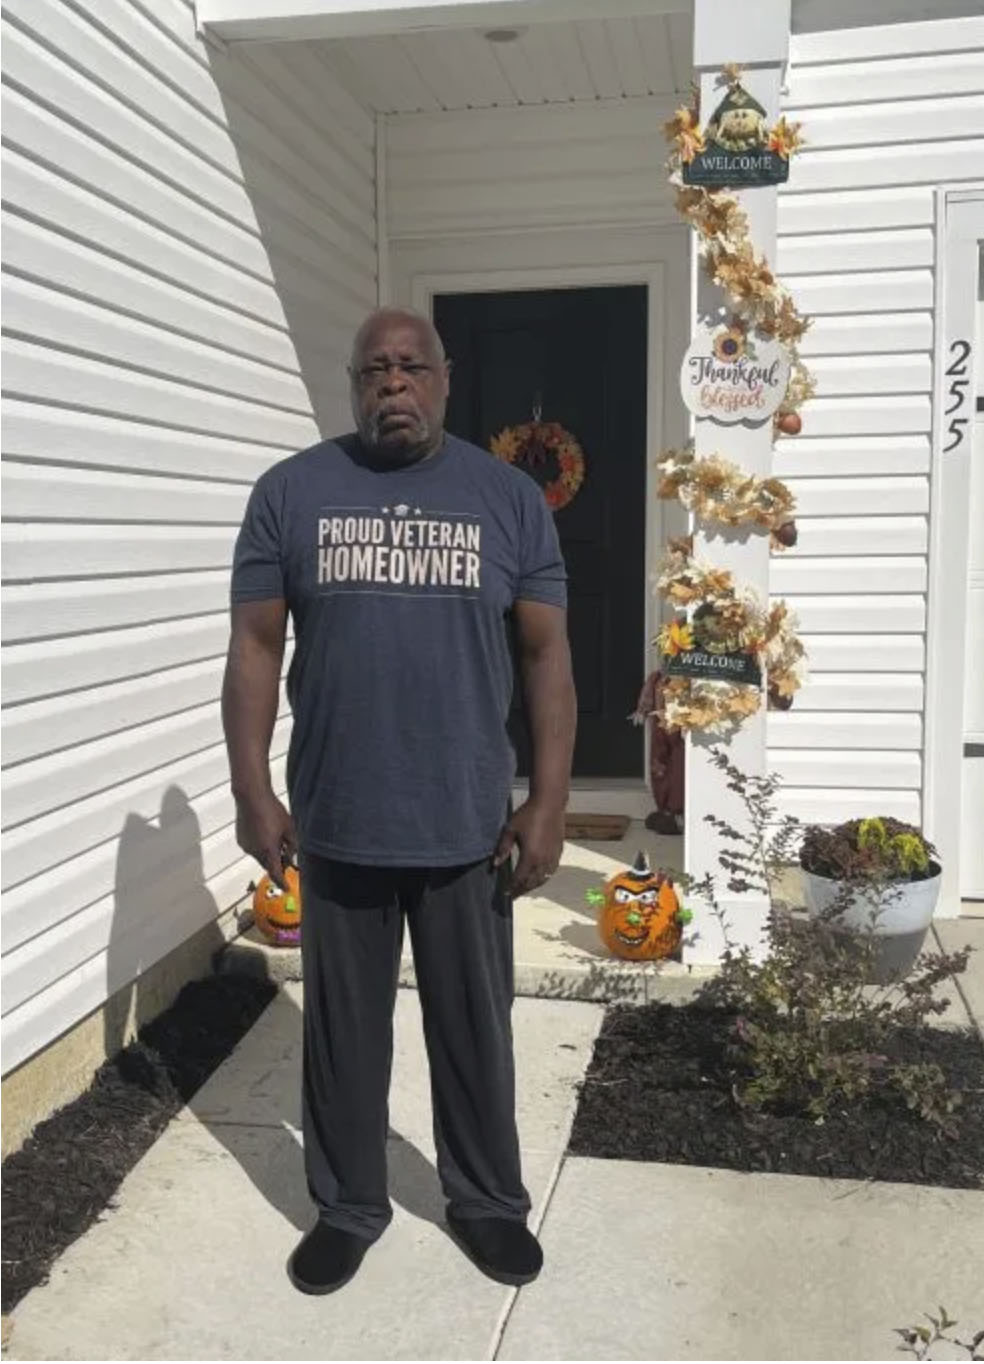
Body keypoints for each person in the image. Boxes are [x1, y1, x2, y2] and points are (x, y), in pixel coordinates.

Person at [222, 308, 577, 1296]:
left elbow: (548, 656)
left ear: (445, 378)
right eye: (374, 369)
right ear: (352, 383)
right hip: (339, 817)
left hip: (467, 822)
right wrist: (251, 789)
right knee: (344, 1034)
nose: (393, 384)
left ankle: (487, 1200)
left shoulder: (508, 500)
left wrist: (548, 800)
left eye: (412, 366)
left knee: (473, 1026)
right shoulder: (290, 493)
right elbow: (255, 646)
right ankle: (347, 1206)